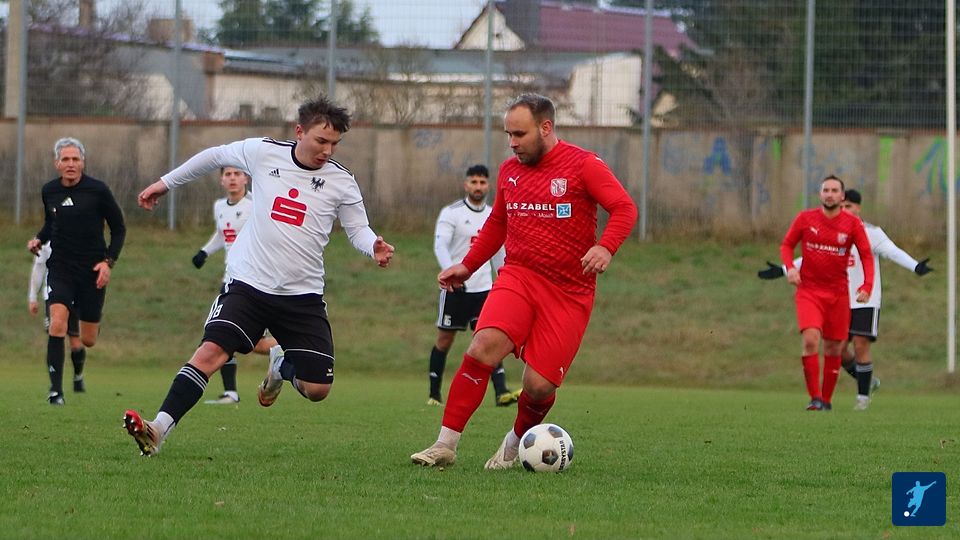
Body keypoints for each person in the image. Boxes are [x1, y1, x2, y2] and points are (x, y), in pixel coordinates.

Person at [122, 95, 394, 456]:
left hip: (302, 296)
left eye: (335, 143)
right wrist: (165, 183)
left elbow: (358, 228)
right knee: (210, 353)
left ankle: (281, 366)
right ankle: (158, 429)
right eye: (321, 140)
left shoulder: (342, 181)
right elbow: (215, 155)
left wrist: (373, 245)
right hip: (249, 285)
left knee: (317, 389)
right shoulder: (264, 152)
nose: (327, 150)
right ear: (300, 131)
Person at [410, 93, 638, 469]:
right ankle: (444, 445)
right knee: (481, 347)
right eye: (508, 135)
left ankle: (514, 444)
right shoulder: (509, 171)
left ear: (545, 128)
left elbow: (624, 208)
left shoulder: (583, 165)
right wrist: (467, 265)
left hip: (569, 291)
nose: (512, 143)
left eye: (519, 134)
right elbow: (498, 223)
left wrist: (605, 247)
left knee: (538, 386)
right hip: (519, 276)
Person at [758, 188, 931, 410]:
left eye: (849, 206)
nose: (845, 210)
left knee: (860, 344)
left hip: (865, 299)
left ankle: (862, 398)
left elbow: (892, 251)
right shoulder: (833, 230)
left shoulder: (871, 232)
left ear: (858, 208)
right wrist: (783, 269)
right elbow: (815, 255)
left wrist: (915, 266)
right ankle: (867, 381)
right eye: (842, 206)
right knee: (837, 349)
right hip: (839, 298)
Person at [27, 137, 126, 405]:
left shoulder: (98, 190)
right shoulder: (49, 191)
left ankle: (82, 348)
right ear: (56, 163)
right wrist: (38, 238)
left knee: (88, 339)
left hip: (92, 270)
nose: (70, 164)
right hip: (60, 268)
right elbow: (51, 223)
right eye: (65, 159)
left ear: (83, 162)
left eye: (75, 159)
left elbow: (119, 228)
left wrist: (108, 262)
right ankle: (56, 391)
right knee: (57, 324)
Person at [777, 176, 874, 411]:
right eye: (826, 190)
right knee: (811, 340)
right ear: (820, 194)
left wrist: (867, 286)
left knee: (834, 347)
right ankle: (815, 398)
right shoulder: (805, 218)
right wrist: (790, 268)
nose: (830, 194)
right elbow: (786, 245)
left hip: (838, 294)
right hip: (809, 291)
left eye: (834, 190)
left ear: (842, 196)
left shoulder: (852, 224)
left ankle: (826, 401)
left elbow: (866, 255)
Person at [428, 164, 519, 407]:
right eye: (474, 182)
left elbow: (498, 251)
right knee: (445, 340)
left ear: (488, 186)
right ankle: (434, 395)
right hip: (456, 289)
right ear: (466, 185)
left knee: (491, 339)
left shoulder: (494, 215)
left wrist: (503, 278)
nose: (478, 187)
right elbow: (440, 246)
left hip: (484, 289)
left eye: (482, 182)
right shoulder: (451, 213)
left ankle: (501, 392)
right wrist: (451, 273)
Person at [191, 166, 282, 405]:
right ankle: (231, 392)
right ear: (221, 180)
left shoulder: (256, 205)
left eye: (237, 174)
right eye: (228, 174)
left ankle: (287, 348)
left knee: (247, 342)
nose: (232, 178)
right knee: (222, 335)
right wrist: (204, 252)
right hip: (230, 279)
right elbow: (222, 234)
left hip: (253, 281)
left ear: (246, 178)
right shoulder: (219, 207)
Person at [28, 242, 87, 393]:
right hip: (53, 295)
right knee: (55, 334)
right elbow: (39, 267)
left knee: (76, 343)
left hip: (76, 295)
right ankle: (55, 388)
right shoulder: (45, 240)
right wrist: (32, 297)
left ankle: (78, 376)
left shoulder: (80, 235)